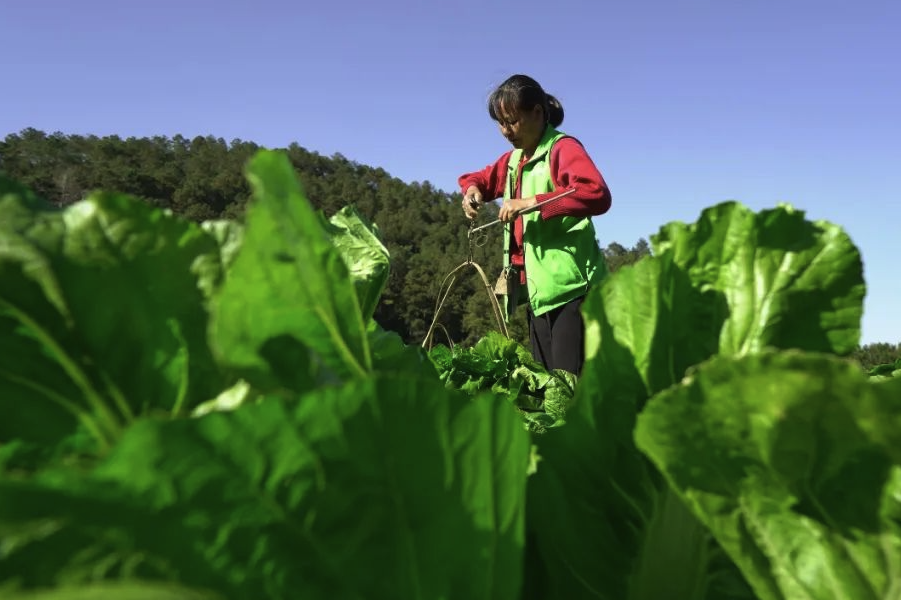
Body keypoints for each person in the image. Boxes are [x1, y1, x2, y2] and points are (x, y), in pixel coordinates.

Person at [458, 74, 612, 376]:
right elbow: (478, 179)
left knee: (571, 388)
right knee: (547, 387)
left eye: (512, 121)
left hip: (574, 289)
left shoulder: (561, 149)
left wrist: (532, 203)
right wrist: (472, 192)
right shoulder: (514, 160)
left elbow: (596, 193)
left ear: (538, 113)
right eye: (500, 123)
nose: (505, 131)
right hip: (539, 293)